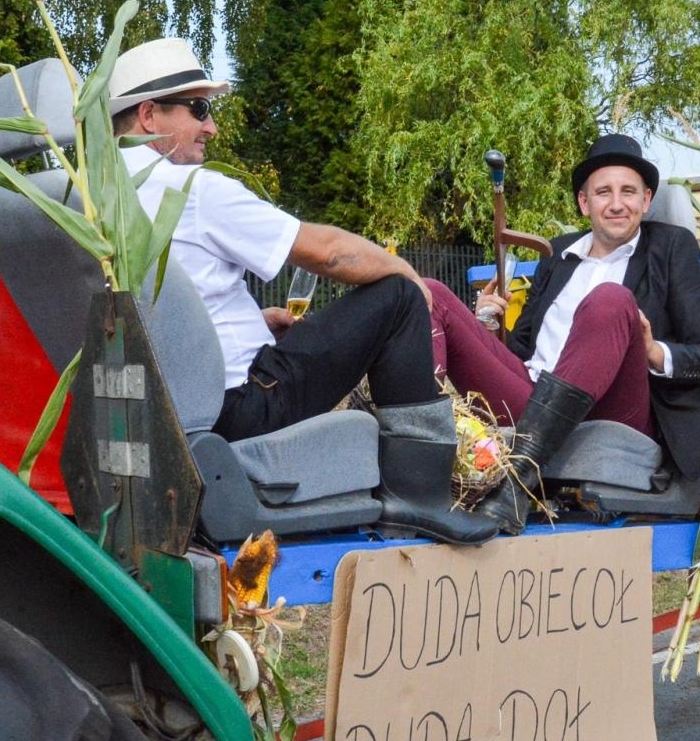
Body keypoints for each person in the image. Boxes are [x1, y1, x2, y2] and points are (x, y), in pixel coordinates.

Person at [108, 38, 498, 546]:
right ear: (148, 115)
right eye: (199, 109)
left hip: (156, 415)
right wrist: (403, 269)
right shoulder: (189, 191)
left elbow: (153, 311)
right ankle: (418, 498)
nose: (212, 127)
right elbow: (328, 253)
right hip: (239, 409)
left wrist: (252, 323)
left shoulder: (94, 200)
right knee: (399, 299)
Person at [422, 133, 700, 533]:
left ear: (646, 200)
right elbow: (523, 353)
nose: (617, 203)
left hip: (617, 407)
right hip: (536, 399)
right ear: (584, 203)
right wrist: (489, 326)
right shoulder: (558, 255)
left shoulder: (670, 247)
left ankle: (518, 482)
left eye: (628, 192)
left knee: (610, 300)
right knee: (431, 294)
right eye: (604, 192)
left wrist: (653, 351)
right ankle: (423, 473)